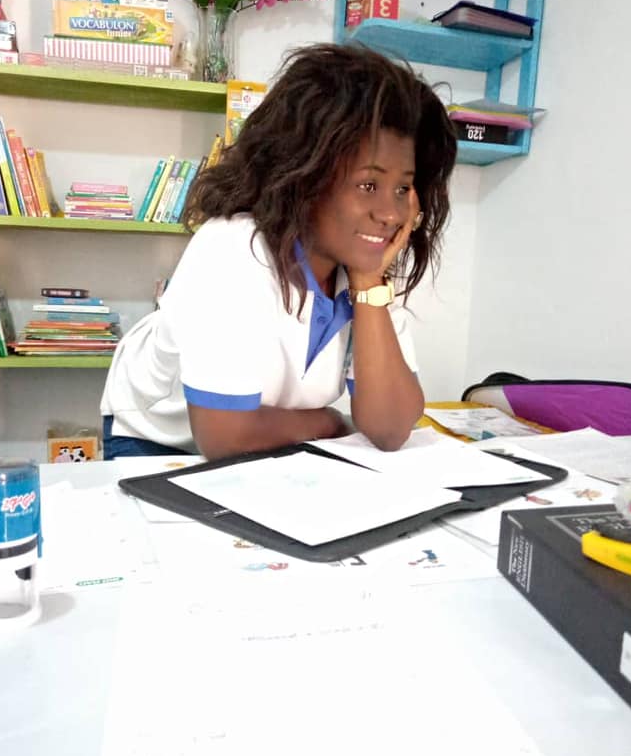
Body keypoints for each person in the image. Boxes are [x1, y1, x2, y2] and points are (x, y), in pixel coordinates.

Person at [101, 42, 457, 461]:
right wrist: (329, 423)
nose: (390, 213)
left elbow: (391, 428)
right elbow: (226, 436)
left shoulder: (364, 273)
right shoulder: (232, 247)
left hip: (272, 439)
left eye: (402, 189)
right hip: (158, 438)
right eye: (368, 185)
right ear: (304, 175)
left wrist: (368, 283)